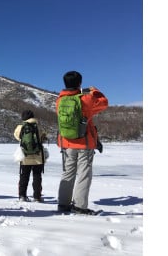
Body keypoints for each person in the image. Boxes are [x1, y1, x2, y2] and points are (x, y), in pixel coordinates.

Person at [56, 71, 108, 214]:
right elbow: (104, 103)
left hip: (66, 143)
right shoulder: (85, 99)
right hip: (84, 143)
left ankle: (63, 204)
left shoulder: (59, 100)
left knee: (68, 173)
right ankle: (79, 206)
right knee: (84, 174)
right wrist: (94, 90)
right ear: (79, 83)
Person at [13, 110, 48, 202]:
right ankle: (37, 197)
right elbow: (44, 136)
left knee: (24, 176)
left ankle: (22, 196)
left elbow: (16, 136)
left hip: (25, 156)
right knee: (37, 176)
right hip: (38, 157)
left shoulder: (20, 127)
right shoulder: (38, 126)